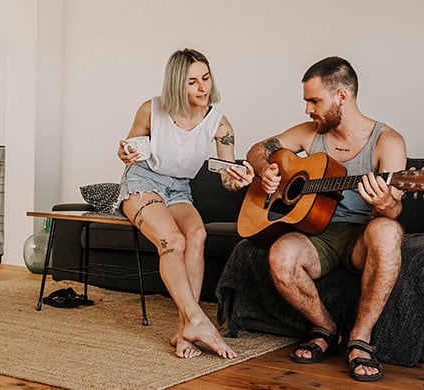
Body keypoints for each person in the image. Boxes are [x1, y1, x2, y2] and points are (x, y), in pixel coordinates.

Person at [245, 56, 406, 381]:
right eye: (307, 101)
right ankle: (325, 327)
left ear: (342, 96)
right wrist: (266, 171)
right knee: (281, 253)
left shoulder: (387, 142)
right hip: (317, 232)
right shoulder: (309, 133)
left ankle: (360, 339)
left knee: (388, 230)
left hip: (362, 237)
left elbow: (394, 210)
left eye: (314, 100)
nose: (308, 109)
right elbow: (258, 149)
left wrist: (385, 202)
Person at [117, 48, 254, 359]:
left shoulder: (220, 125)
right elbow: (129, 151)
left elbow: (227, 177)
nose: (203, 88)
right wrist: (124, 152)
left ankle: (184, 330)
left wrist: (238, 178)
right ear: (178, 84)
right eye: (193, 82)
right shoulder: (150, 110)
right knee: (173, 240)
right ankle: (197, 320)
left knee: (197, 235)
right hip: (142, 181)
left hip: (179, 189)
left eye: (205, 78)